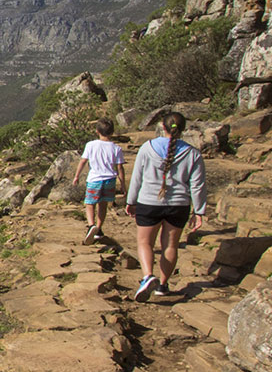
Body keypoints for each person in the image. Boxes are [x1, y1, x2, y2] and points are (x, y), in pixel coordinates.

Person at [124, 111, 208, 301]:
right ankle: (162, 285)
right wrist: (199, 211)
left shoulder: (147, 148)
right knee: (170, 245)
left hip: (149, 202)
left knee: (145, 243)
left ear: (162, 126)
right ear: (183, 129)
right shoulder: (193, 153)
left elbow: (137, 177)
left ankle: (147, 276)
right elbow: (197, 184)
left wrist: (131, 200)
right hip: (179, 205)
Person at [73, 118, 124, 244]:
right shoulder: (116, 148)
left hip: (94, 179)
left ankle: (91, 225)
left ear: (97, 131)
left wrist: (77, 176)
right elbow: (119, 167)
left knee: (90, 203)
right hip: (109, 179)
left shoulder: (91, 145)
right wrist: (123, 184)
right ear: (112, 132)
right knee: (103, 204)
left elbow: (83, 161)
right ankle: (99, 229)